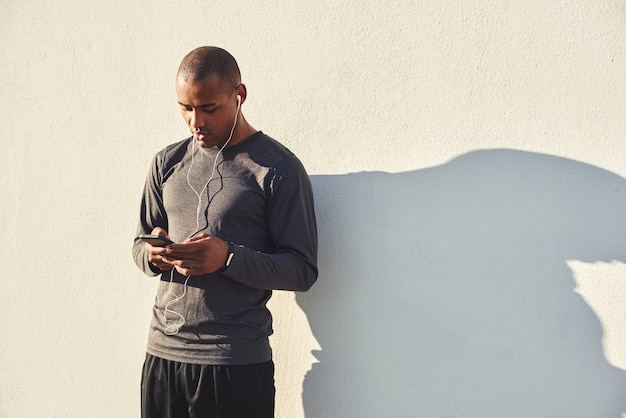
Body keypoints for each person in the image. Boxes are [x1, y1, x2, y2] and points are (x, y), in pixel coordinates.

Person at [132, 46, 318, 418]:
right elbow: (139, 244)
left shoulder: (278, 168)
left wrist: (228, 258)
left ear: (239, 95)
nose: (195, 121)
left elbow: (302, 270)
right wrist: (152, 255)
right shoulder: (166, 163)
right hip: (162, 357)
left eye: (208, 108)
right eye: (185, 107)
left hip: (234, 364)